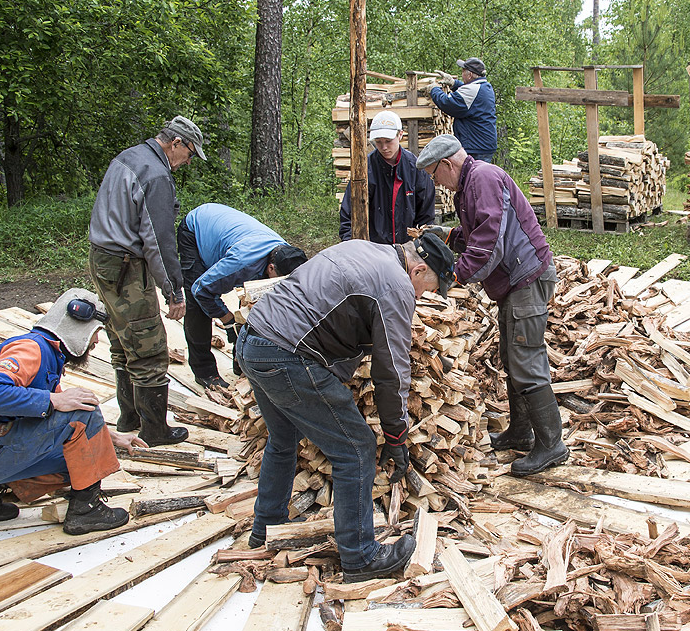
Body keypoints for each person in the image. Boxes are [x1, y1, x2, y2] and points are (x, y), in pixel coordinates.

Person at [235, 233, 455, 581]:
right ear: (418, 270)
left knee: (283, 437)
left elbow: (333, 316)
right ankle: (361, 558)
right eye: (427, 288)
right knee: (356, 449)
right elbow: (391, 371)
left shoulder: (366, 249)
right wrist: (396, 437)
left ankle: (268, 528)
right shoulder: (395, 285)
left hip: (254, 341)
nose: (423, 296)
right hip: (286, 353)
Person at [416, 134, 567, 477]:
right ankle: (521, 432)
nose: (434, 181)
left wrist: (456, 276)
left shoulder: (481, 178)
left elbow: (489, 242)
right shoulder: (469, 184)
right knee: (514, 357)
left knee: (526, 359)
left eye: (433, 173)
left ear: (447, 164)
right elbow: (477, 231)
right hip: (515, 281)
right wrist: (447, 236)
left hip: (526, 279)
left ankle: (552, 445)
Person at [0, 289, 147, 535]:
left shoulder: (50, 358)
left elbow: (61, 422)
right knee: (86, 409)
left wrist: (112, 438)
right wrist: (54, 399)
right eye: (95, 333)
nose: (95, 343)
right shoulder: (31, 349)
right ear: (77, 327)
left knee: (79, 457)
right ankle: (86, 511)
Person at [89, 116, 206, 446]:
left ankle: (130, 416)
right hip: (126, 265)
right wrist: (174, 290)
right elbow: (158, 239)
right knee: (148, 345)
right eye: (190, 154)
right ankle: (154, 429)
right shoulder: (155, 174)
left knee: (121, 336)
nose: (188, 162)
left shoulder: (130, 156)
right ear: (176, 144)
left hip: (102, 258)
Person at [177, 203, 308, 389]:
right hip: (196, 229)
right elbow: (201, 290)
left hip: (228, 230)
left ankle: (241, 362)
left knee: (254, 299)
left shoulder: (287, 255)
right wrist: (229, 321)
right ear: (271, 268)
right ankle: (205, 372)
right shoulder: (242, 263)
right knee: (198, 305)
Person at [339, 110, 436, 244]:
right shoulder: (364, 170)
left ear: (400, 135)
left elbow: (426, 217)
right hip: (372, 249)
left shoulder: (416, 169)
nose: (384, 147)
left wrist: (419, 248)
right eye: (378, 142)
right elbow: (348, 214)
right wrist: (352, 247)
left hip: (407, 250)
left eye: (388, 141)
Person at [430, 57, 498, 162]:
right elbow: (469, 94)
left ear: (470, 75)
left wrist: (434, 90)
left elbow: (448, 103)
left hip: (476, 147)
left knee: (472, 177)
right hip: (482, 144)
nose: (462, 74)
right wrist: (454, 83)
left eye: (463, 71)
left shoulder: (473, 89)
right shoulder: (484, 87)